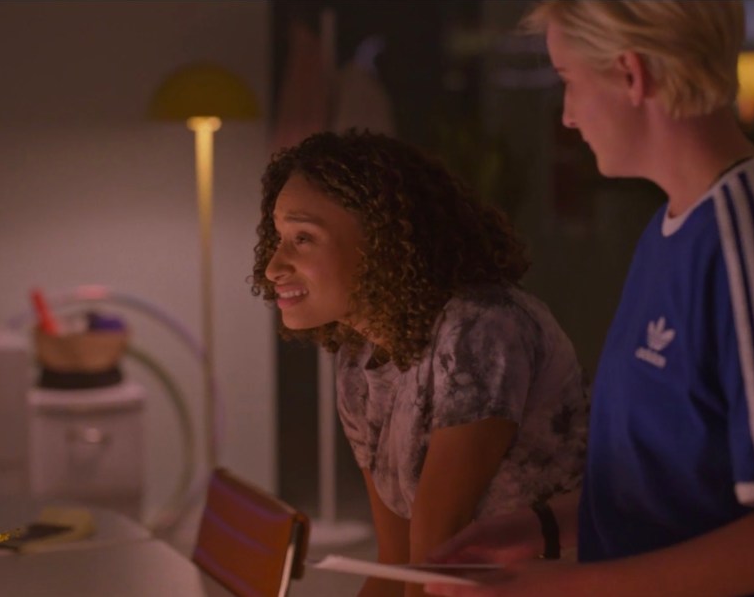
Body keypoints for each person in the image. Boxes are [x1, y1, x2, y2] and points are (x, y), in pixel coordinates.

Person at [425, 1, 754, 596]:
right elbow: (671, 492)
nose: (569, 117)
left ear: (632, 75)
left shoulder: (753, 244)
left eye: (569, 83)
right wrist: (538, 530)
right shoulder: (670, 228)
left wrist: (557, 591)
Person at [251, 130, 590, 597]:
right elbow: (396, 563)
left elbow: (436, 559)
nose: (273, 266)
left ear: (381, 243)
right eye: (280, 236)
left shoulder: (483, 329)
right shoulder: (359, 355)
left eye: (303, 238)